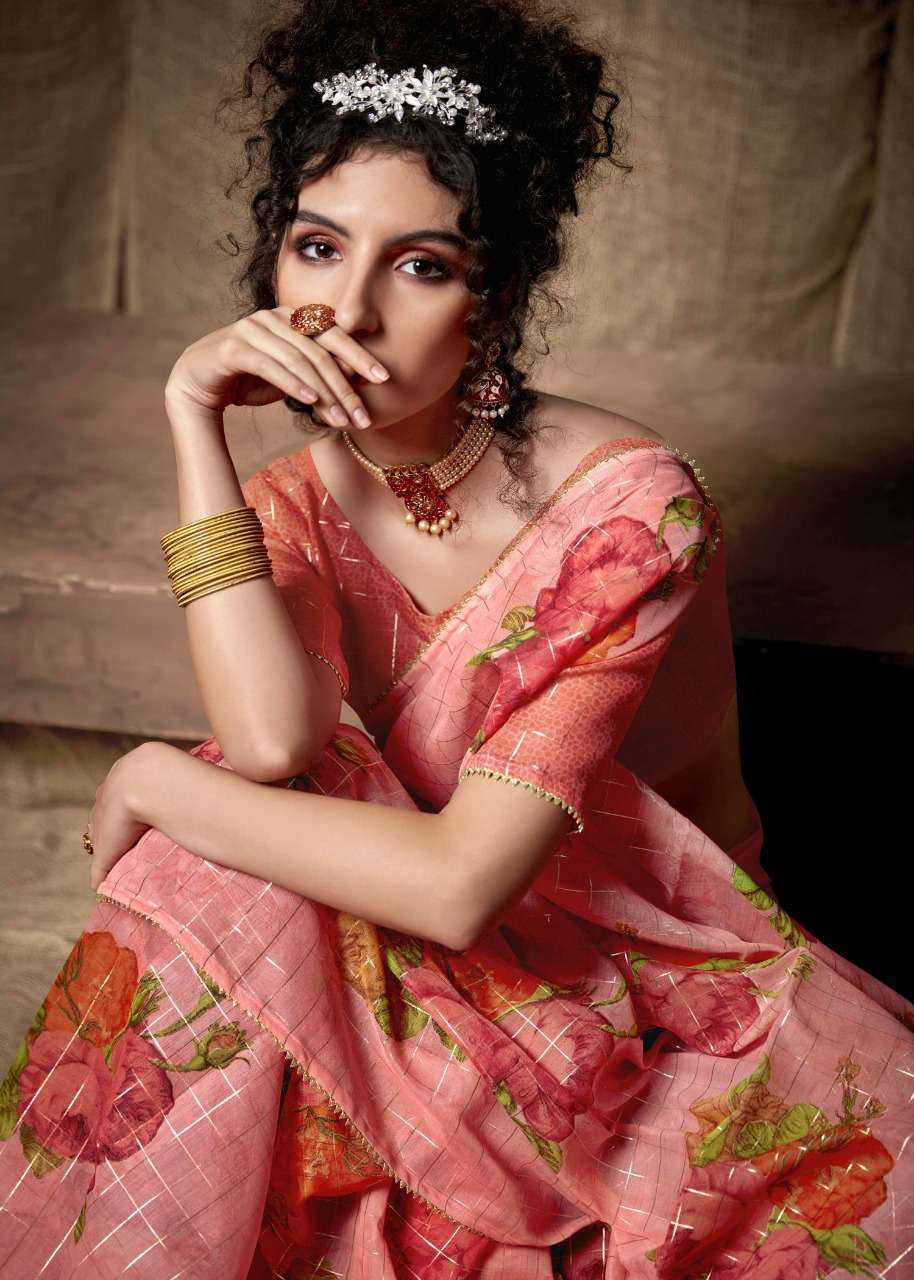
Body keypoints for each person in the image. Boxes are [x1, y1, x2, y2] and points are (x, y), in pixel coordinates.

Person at [1, 1, 912, 1275]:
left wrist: (149, 776)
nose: (347, 311)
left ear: (495, 300)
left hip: (633, 955)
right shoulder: (291, 503)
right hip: (423, 902)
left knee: (199, 814)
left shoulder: (626, 512)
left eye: (420, 265)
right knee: (228, 837)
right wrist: (190, 415)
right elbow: (270, 742)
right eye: (317, 247)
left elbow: (457, 883)